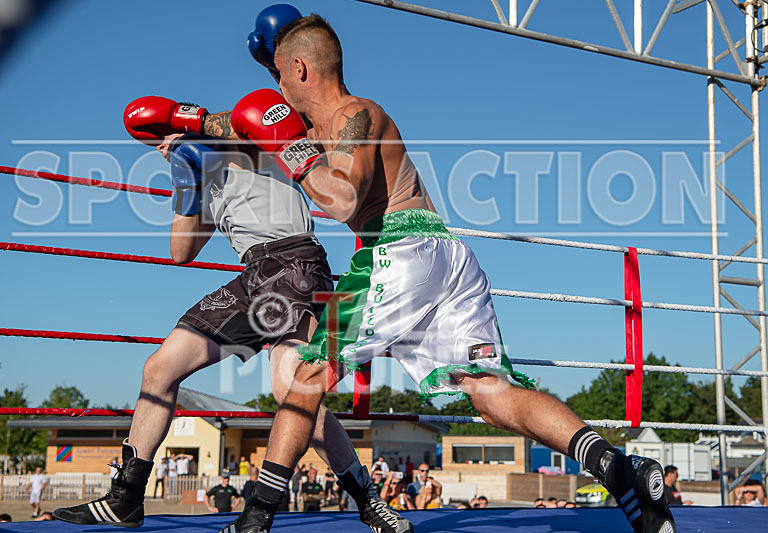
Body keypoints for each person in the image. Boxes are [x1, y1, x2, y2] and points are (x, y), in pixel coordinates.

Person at [224, 10, 675, 533]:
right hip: (446, 260)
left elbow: (343, 199)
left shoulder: (356, 114)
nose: (275, 90)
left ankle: (257, 517)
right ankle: (623, 471)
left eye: (278, 75)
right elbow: (241, 122)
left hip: (396, 251)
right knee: (488, 392)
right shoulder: (320, 124)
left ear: (300, 69)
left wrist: (295, 156)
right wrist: (182, 124)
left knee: (306, 374)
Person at [52, 96, 364, 527]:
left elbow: (265, 125)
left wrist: (198, 133)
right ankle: (126, 498)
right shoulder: (198, 171)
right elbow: (181, 252)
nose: (166, 145)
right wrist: (186, 178)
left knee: (292, 389)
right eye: (159, 142)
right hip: (252, 275)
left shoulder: (249, 136)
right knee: (160, 368)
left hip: (296, 265)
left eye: (168, 136)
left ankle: (366, 498)